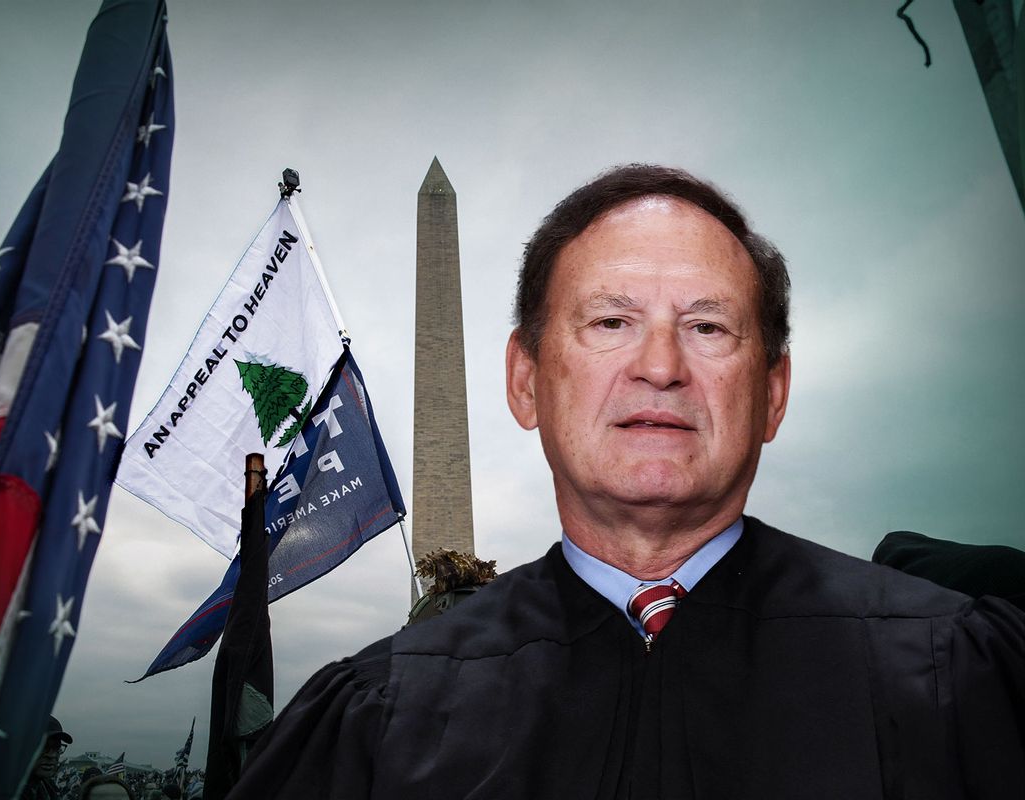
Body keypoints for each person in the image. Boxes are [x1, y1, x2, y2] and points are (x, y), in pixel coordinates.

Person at [225, 164, 1025, 798]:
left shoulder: (961, 671)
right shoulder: (373, 717)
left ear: (773, 391)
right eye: (611, 322)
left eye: (708, 327)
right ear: (526, 381)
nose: (660, 366)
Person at [21, 715, 73, 800]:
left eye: (57, 747)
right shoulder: (2, 790)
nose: (52, 755)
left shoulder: (48, 787)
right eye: (43, 746)